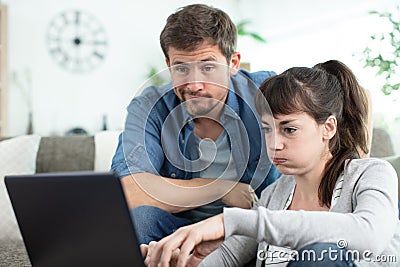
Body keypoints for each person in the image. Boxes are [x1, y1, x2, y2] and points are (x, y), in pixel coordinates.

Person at [143, 60, 400, 267]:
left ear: (328, 128)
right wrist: (185, 262)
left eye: (289, 130)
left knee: (321, 255)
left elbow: (370, 236)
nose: (274, 143)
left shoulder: (371, 174)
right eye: (267, 129)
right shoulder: (272, 196)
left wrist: (228, 221)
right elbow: (228, 258)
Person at [111, 4, 281, 245]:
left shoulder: (266, 92)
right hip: (179, 231)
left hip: (251, 229)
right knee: (141, 220)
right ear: (169, 65)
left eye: (208, 67)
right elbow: (127, 191)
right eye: (181, 68)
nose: (194, 84)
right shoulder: (150, 107)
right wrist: (218, 188)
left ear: (233, 63)